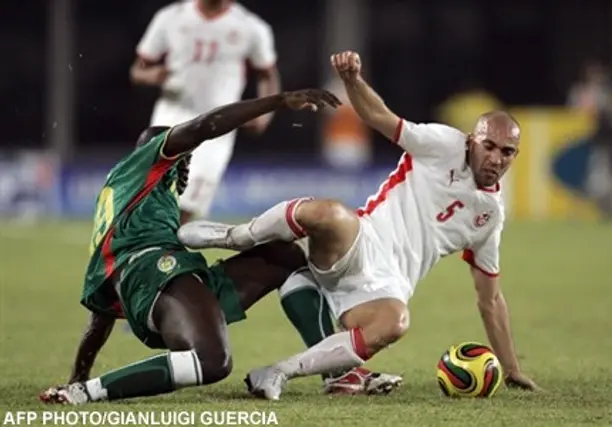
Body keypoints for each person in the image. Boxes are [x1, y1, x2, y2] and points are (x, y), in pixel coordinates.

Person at [178, 51, 539, 400]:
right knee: (330, 214)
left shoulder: (490, 215)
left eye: (506, 152)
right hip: (362, 237)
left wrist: (510, 368)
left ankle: (280, 372)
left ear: (514, 156)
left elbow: (489, 299)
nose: (495, 158)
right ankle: (233, 236)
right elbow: (382, 117)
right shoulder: (444, 144)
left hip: (386, 284)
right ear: (473, 140)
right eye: (488, 145)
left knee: (396, 322)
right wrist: (352, 80)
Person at [39, 88, 400, 405]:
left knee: (284, 256)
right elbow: (204, 126)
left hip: (165, 275)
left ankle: (336, 374)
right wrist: (277, 101)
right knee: (212, 362)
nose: (186, 168)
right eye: (183, 158)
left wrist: (77, 373)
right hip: (156, 271)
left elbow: (102, 312)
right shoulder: (150, 160)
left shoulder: (127, 197)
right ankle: (93, 393)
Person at [131, 0, 281, 223]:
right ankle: (138, 249)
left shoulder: (251, 26)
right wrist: (151, 75)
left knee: (189, 204)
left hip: (218, 125)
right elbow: (138, 70)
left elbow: (267, 75)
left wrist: (265, 115)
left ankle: (163, 252)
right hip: (171, 116)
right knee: (152, 193)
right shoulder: (171, 17)